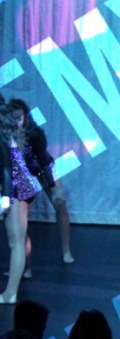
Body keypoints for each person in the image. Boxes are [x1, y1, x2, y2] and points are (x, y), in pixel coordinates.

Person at [6, 99, 74, 266]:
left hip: (41, 167)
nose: (16, 122)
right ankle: (25, 266)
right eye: (13, 118)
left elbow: (43, 160)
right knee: (19, 220)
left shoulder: (35, 133)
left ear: (26, 117)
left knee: (60, 204)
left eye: (19, 118)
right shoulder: (6, 134)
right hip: (21, 173)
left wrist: (53, 187)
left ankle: (66, 250)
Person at [0, 104, 42, 303]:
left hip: (16, 188)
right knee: (20, 239)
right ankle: (23, 272)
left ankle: (10, 293)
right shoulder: (9, 133)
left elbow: (7, 169)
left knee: (16, 242)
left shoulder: (4, 135)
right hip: (16, 187)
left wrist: (5, 198)